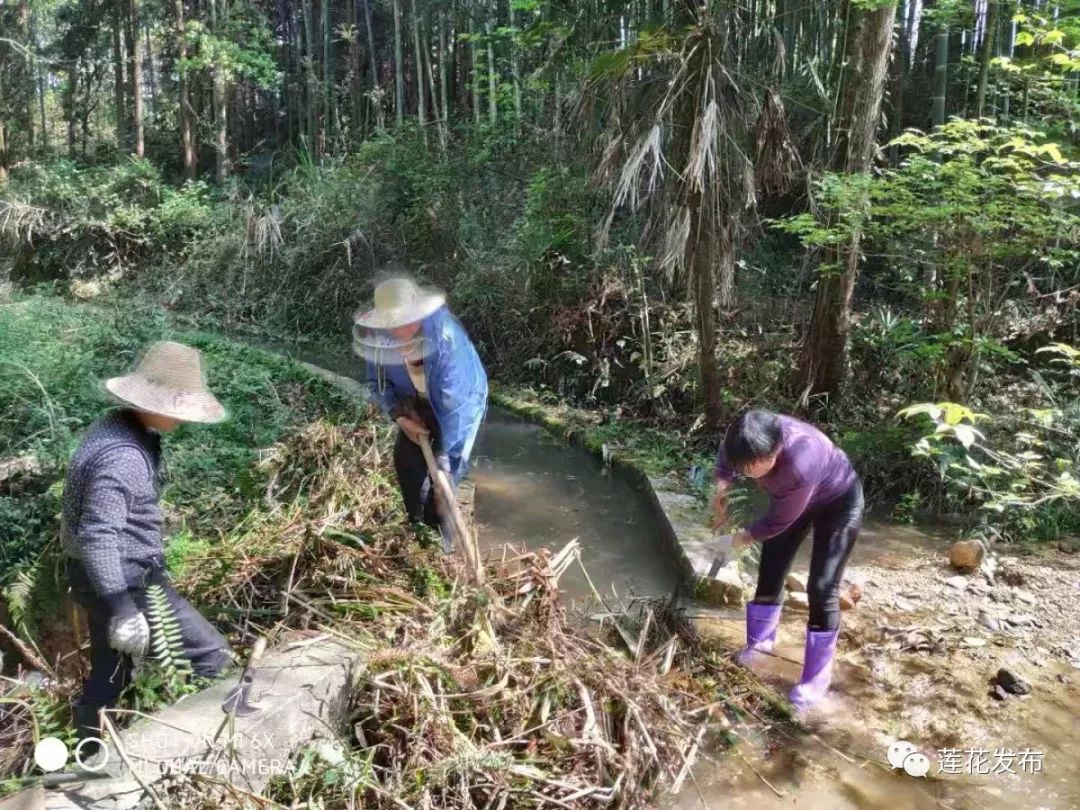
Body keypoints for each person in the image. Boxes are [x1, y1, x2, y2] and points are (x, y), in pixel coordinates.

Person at [62, 341, 233, 750]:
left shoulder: (116, 425)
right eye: (178, 406)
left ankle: (86, 752)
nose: (182, 417)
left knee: (111, 669)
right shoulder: (122, 455)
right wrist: (123, 609)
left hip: (96, 576)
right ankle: (196, 749)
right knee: (212, 657)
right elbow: (99, 534)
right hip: (124, 580)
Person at [712, 410, 862, 712]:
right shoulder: (743, 437)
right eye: (745, 466)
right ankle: (760, 644)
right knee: (770, 568)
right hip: (792, 500)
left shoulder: (800, 463)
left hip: (838, 503)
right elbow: (726, 460)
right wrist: (721, 490)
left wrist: (736, 540)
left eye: (757, 466)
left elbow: (776, 523)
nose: (751, 472)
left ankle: (816, 680)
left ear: (776, 449)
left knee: (822, 587)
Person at [354, 276, 488, 549]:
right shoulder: (378, 339)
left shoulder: (447, 342)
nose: (402, 330)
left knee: (445, 484)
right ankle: (419, 539)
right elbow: (376, 383)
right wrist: (401, 417)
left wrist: (445, 464)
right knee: (407, 465)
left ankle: (443, 552)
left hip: (459, 402)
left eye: (408, 321)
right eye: (394, 325)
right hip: (413, 401)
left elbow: (458, 413)